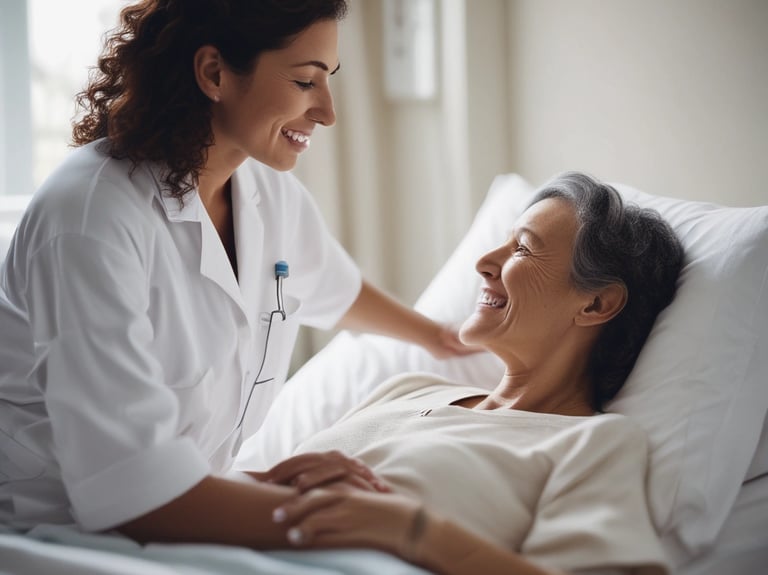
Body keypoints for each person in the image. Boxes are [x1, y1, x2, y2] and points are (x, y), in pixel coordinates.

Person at [0, 0, 471, 540]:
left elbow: (335, 290)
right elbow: (129, 489)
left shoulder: (269, 193)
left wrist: (442, 338)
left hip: (174, 507)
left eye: (329, 81)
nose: (327, 112)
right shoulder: (90, 218)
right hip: (50, 529)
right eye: (305, 82)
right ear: (214, 73)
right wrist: (381, 527)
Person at [264, 171, 685, 575]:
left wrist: (415, 530)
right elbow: (266, 490)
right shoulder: (409, 389)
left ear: (595, 304)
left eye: (522, 248)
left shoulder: (594, 442)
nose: (484, 262)